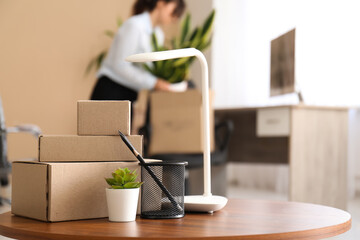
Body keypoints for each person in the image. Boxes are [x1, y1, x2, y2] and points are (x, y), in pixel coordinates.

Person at [90, 0, 186, 103]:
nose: (175, 18)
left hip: (129, 94)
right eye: (174, 11)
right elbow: (120, 65)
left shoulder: (158, 35)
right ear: (161, 3)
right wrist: (154, 83)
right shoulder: (135, 25)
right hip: (111, 90)